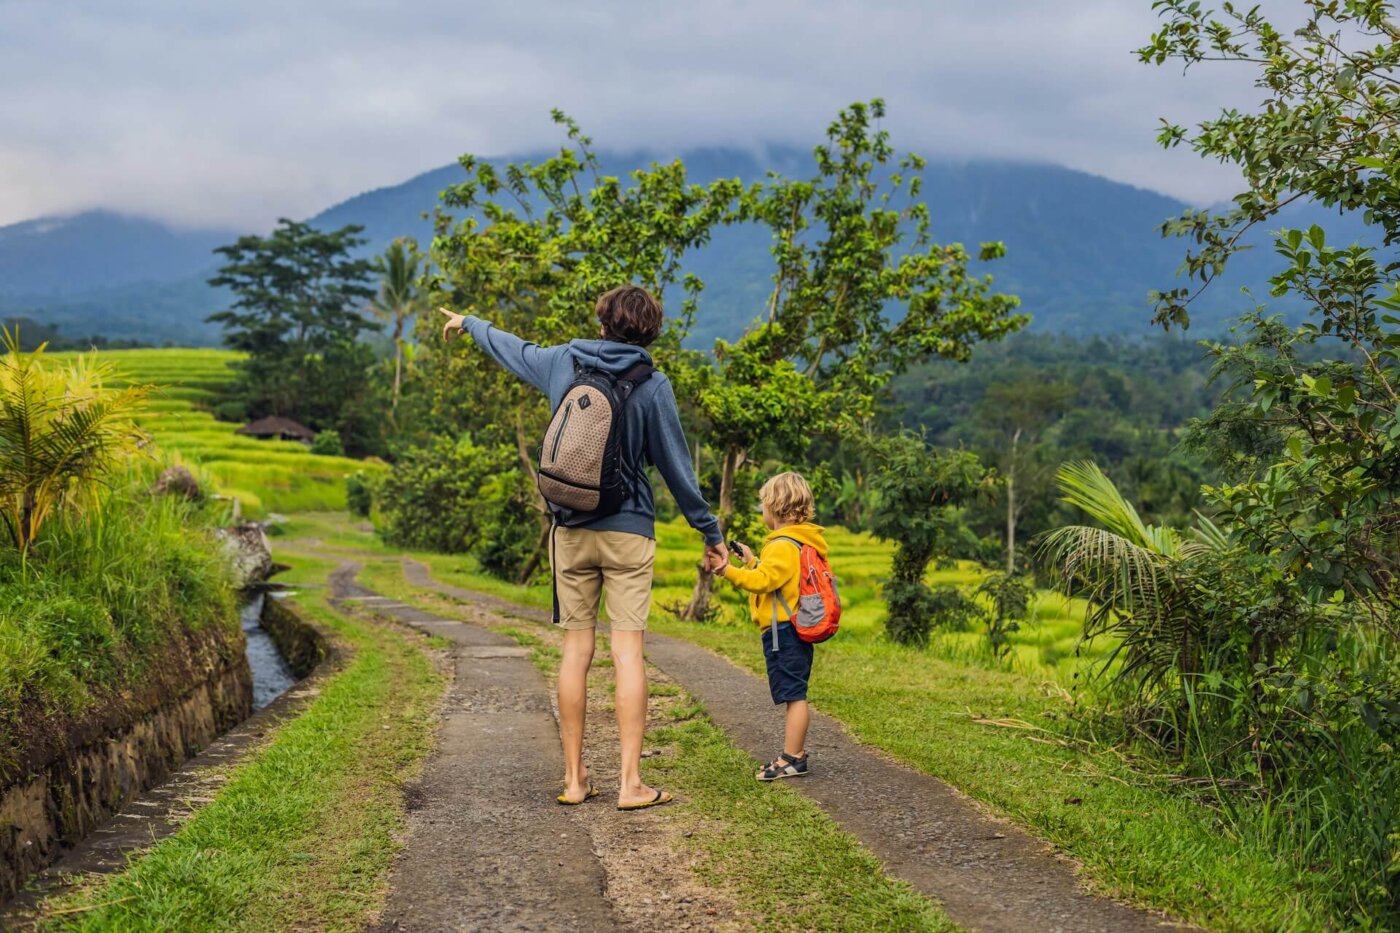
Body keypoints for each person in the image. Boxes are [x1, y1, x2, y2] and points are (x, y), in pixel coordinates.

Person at [439, 286, 728, 810]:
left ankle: (574, 780)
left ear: (601, 324)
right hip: (629, 531)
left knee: (575, 652)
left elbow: (513, 348)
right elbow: (676, 469)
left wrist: (469, 322)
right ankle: (631, 784)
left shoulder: (562, 362)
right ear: (650, 332)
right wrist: (710, 533)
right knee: (627, 654)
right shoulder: (653, 383)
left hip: (569, 527)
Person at [720, 471, 827, 781]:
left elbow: (763, 582)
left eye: (764, 503)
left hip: (785, 633)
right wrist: (752, 561)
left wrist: (728, 571)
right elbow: (774, 581)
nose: (762, 509)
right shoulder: (797, 542)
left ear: (776, 507)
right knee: (794, 692)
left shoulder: (782, 544)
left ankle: (792, 758)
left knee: (794, 695)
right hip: (792, 630)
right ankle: (793, 755)